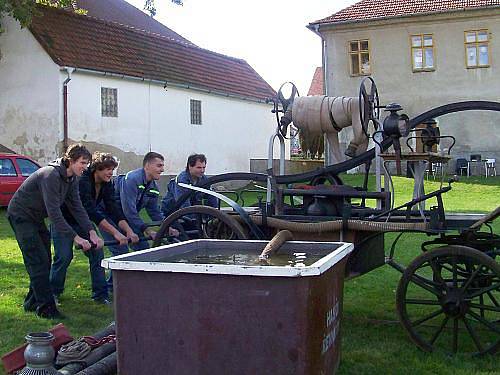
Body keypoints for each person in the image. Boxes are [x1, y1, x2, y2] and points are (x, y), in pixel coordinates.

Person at [7, 144, 103, 319]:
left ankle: (31, 303)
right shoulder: (50, 175)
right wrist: (76, 238)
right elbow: (54, 214)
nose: (85, 167)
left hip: (35, 217)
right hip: (21, 216)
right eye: (82, 162)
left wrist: (91, 231)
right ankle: (46, 309)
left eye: (87, 163)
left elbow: (77, 207)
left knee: (45, 259)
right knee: (37, 260)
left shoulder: (72, 179)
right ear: (70, 161)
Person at [50, 152, 139, 305]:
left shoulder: (107, 183)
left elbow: (113, 208)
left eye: (112, 169)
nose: (110, 173)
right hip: (64, 222)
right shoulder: (83, 181)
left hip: (83, 223)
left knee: (97, 254)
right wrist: (116, 233)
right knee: (64, 256)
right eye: (107, 169)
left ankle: (100, 295)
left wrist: (128, 231)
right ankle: (53, 293)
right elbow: (90, 210)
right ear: (96, 169)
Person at [113, 152, 177, 252]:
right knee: (120, 251)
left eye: (163, 166)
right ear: (147, 166)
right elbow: (129, 211)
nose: (162, 170)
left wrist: (167, 227)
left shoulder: (153, 187)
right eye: (159, 166)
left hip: (127, 218)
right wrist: (147, 230)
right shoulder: (131, 179)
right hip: (110, 216)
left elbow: (154, 211)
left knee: (142, 249)